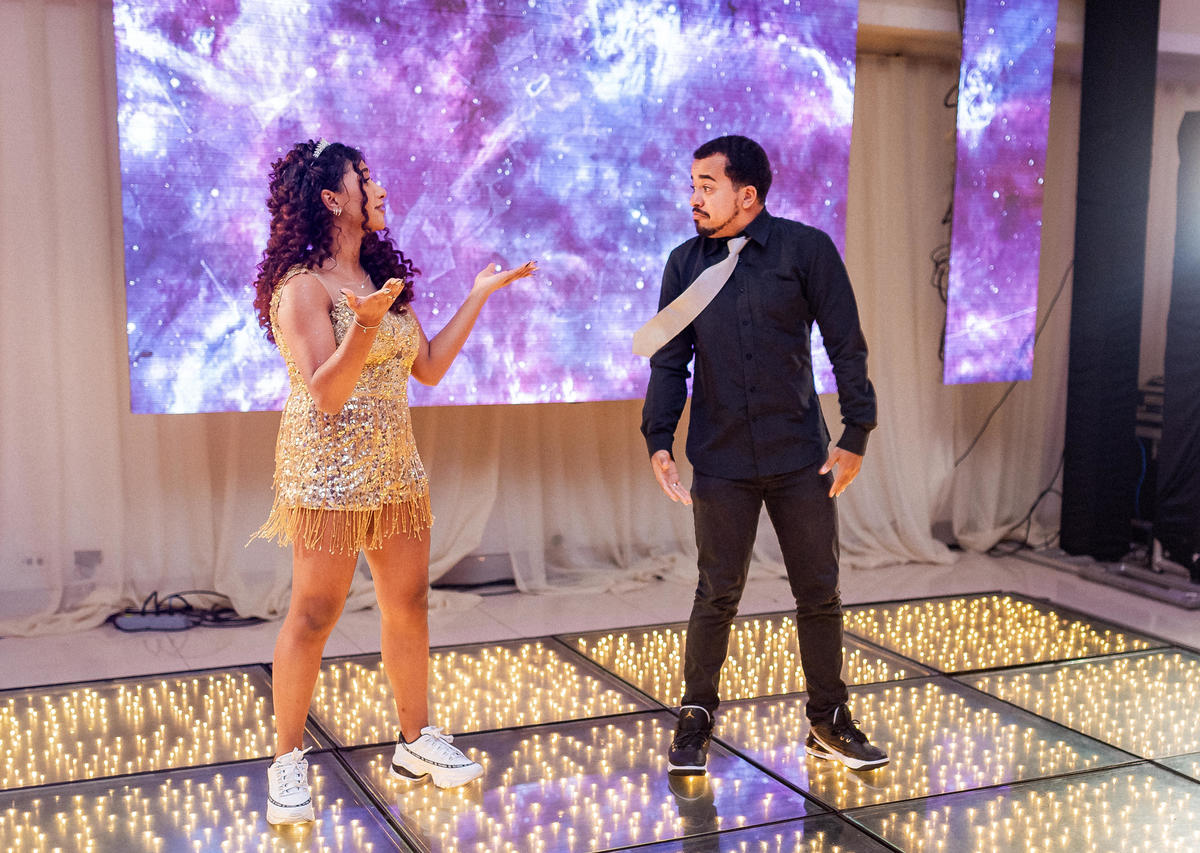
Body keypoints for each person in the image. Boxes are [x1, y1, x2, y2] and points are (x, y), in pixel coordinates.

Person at [249, 138, 536, 825]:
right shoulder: (303, 287)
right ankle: (286, 762)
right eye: (365, 178)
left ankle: (415, 741)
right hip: (327, 472)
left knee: (408, 601)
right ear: (332, 198)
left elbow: (428, 367)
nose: (378, 188)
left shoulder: (377, 275)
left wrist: (477, 296)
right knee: (314, 613)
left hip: (395, 467)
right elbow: (325, 394)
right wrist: (364, 327)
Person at [640, 135, 888, 775]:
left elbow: (846, 343)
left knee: (819, 591)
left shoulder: (806, 250)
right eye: (692, 185)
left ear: (747, 194)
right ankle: (696, 716)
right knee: (716, 593)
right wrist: (658, 439)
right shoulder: (684, 263)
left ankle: (828, 720)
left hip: (799, 456)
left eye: (707, 186)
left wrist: (856, 432)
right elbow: (670, 359)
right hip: (720, 458)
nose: (693, 199)